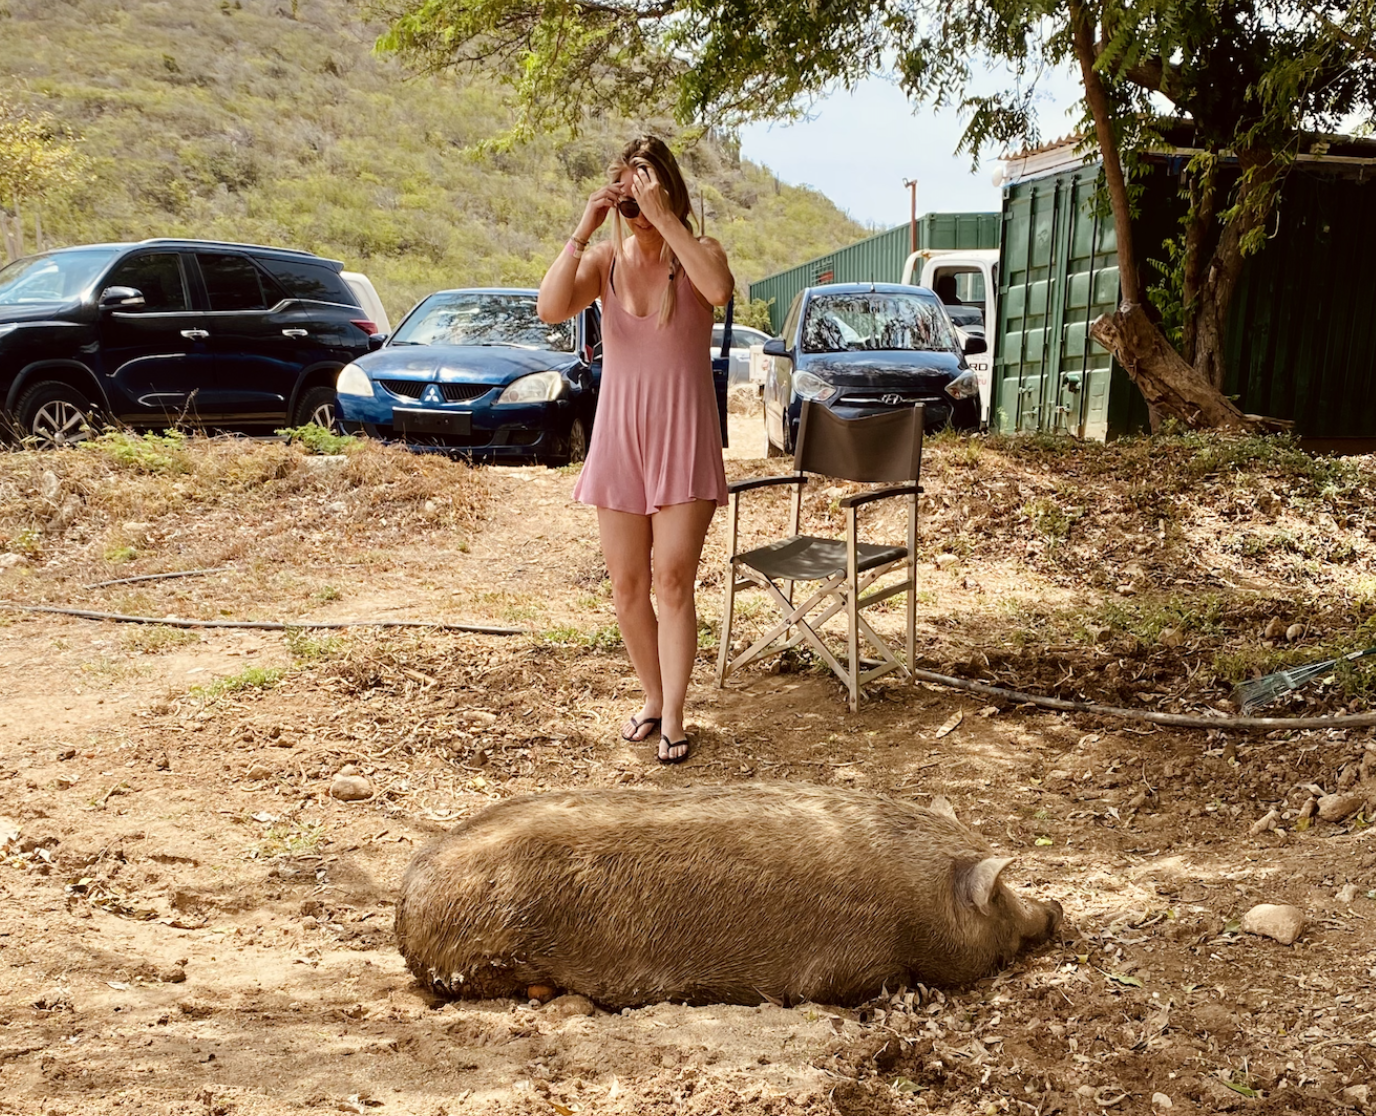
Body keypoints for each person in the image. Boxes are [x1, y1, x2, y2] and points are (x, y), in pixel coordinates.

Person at [538, 136, 734, 765]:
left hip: (683, 438)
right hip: (620, 439)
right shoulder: (604, 262)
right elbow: (548, 309)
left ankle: (676, 712)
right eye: (628, 190)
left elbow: (720, 292)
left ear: (668, 187)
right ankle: (652, 697)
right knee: (627, 585)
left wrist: (665, 217)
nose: (636, 202)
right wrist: (585, 225)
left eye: (646, 185)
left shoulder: (697, 252)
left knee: (673, 579)